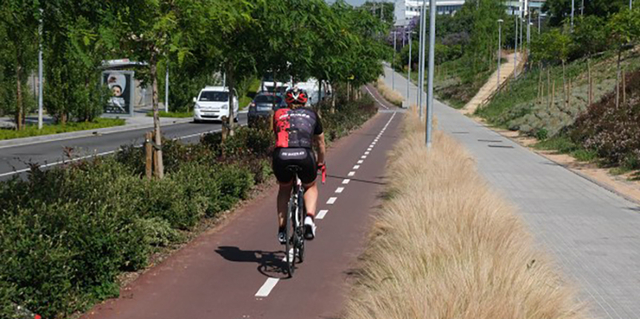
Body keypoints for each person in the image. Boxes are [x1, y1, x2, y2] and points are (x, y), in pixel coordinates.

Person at [272, 87, 326, 244]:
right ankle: (309, 218)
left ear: (287, 101)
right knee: (310, 186)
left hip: (282, 156)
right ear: (305, 100)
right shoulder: (312, 114)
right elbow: (321, 143)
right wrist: (320, 163)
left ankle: (282, 230)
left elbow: (278, 136)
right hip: (304, 155)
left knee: (284, 188)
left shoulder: (278, 114)